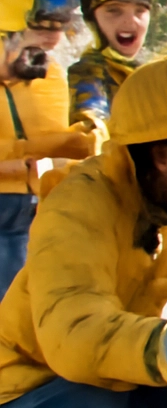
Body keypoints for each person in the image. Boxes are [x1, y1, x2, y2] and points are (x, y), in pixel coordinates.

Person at [0, 54, 167, 407]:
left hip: (116, 370)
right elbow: (74, 327)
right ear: (162, 155)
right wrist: (160, 348)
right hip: (32, 382)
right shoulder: (82, 204)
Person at [0, 28, 99, 298]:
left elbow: (59, 144)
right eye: (44, 26)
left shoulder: (51, 73)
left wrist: (90, 140)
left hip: (46, 200)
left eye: (57, 27)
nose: (53, 35)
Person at [68, 0, 152, 130]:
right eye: (114, 10)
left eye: (140, 10)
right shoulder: (87, 74)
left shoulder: (153, 71)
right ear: (92, 20)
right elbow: (91, 128)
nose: (131, 21)